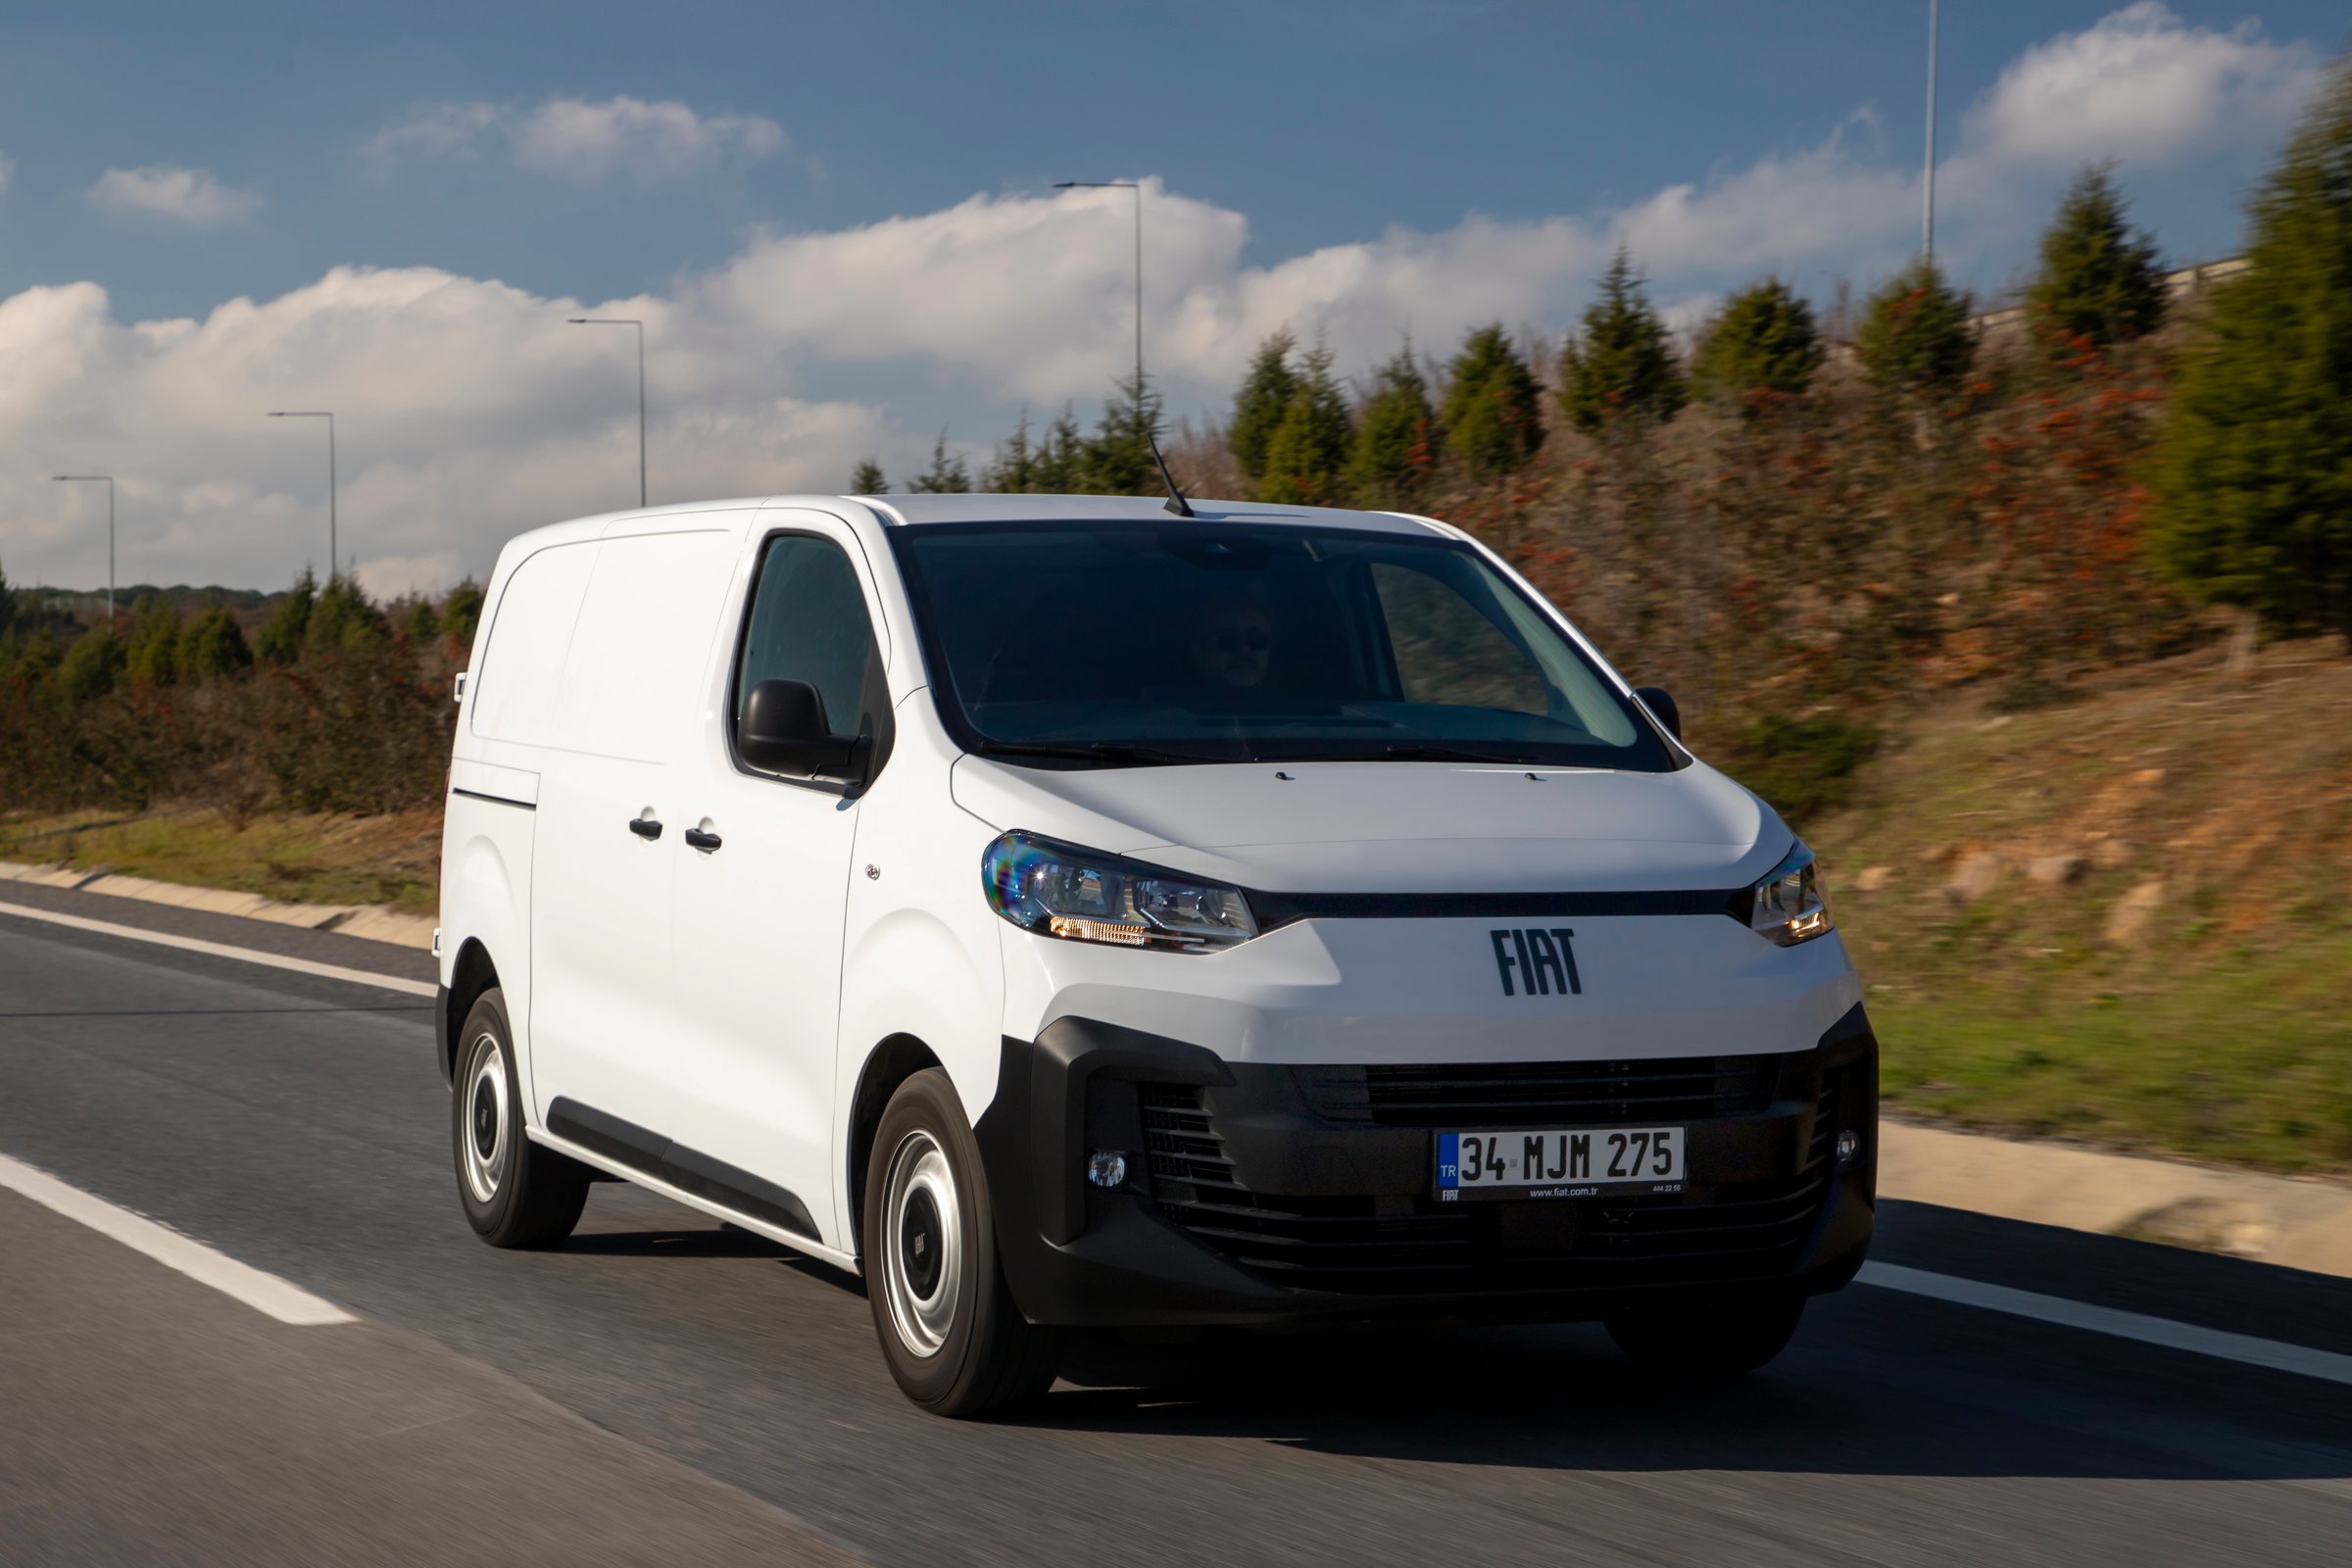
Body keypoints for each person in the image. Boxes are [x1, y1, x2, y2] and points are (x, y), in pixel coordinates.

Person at [1186, 590, 1273, 690]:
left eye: (1257, 640)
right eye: (1226, 640)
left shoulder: (1289, 704)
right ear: (1199, 653)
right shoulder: (1168, 704)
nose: (1244, 649)